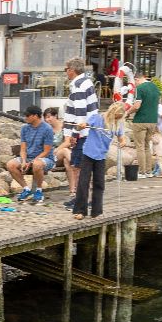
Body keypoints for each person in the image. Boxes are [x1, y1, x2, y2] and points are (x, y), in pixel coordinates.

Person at [72, 102, 126, 220]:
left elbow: (122, 138)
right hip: (88, 153)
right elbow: (80, 127)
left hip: (101, 155)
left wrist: (122, 142)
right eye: (116, 116)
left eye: (119, 117)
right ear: (112, 112)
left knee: (99, 184)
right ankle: (80, 211)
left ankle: (96, 211)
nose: (117, 119)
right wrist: (80, 126)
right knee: (83, 182)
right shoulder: (97, 118)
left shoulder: (118, 124)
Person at [62, 57, 99, 209]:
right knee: (82, 166)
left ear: (72, 70)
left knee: (78, 167)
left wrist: (74, 134)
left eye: (66, 69)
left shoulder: (78, 85)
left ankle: (81, 199)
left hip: (83, 132)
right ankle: (85, 198)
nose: (66, 72)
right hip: (89, 130)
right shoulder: (87, 81)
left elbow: (80, 112)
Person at [6, 105, 55, 204]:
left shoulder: (47, 129)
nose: (25, 117)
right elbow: (23, 149)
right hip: (28, 157)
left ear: (35, 116)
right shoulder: (24, 128)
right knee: (10, 164)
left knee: (37, 164)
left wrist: (32, 162)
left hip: (46, 159)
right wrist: (24, 161)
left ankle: (39, 191)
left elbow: (46, 151)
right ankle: (26, 189)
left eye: (28, 115)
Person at [128, 71, 162, 178]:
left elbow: (137, 106)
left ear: (137, 79)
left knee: (140, 147)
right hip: (152, 121)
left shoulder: (140, 89)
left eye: (135, 81)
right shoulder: (155, 88)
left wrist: (127, 112)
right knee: (147, 146)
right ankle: (149, 171)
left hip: (140, 121)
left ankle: (142, 172)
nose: (135, 84)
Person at [45, 107, 77, 202]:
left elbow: (67, 142)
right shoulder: (46, 129)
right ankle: (79, 166)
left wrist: (57, 149)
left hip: (59, 154)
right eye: (46, 117)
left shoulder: (64, 127)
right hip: (50, 156)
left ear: (55, 116)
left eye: (49, 117)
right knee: (65, 152)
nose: (47, 119)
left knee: (67, 161)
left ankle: (72, 190)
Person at [153, 103, 162, 178]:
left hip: (161, 133)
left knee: (160, 154)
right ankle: (157, 171)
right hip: (160, 132)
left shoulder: (158, 107)